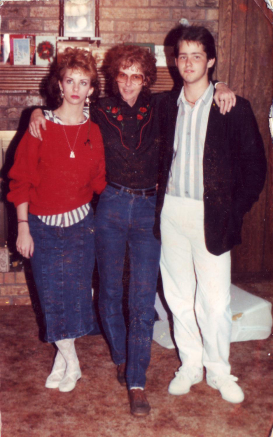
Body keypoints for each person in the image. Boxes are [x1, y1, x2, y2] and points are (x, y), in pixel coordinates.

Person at [29, 44, 236, 416]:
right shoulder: (100, 109)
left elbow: (197, 85)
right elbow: (67, 111)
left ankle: (137, 382)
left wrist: (220, 85)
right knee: (108, 294)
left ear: (146, 78)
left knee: (141, 300)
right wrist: (36, 113)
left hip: (147, 210)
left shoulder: (161, 106)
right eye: (121, 75)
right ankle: (123, 359)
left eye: (136, 75)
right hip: (108, 208)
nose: (127, 83)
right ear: (111, 78)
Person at [156, 25, 267, 403]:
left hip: (213, 215)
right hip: (171, 211)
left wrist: (233, 211)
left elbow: (255, 171)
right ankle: (189, 364)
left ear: (211, 62)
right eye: (183, 56)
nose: (188, 63)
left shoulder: (232, 106)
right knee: (179, 296)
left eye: (197, 56)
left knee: (216, 302)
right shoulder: (163, 106)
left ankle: (219, 371)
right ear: (175, 61)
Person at [8, 47, 106, 393]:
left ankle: (61, 360)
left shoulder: (95, 132)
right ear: (60, 86)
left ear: (92, 89)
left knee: (76, 296)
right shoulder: (40, 126)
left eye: (84, 82)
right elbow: (20, 180)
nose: (77, 88)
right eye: (70, 81)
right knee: (51, 296)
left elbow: (99, 182)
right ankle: (73, 363)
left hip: (81, 226)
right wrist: (22, 227)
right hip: (41, 227)